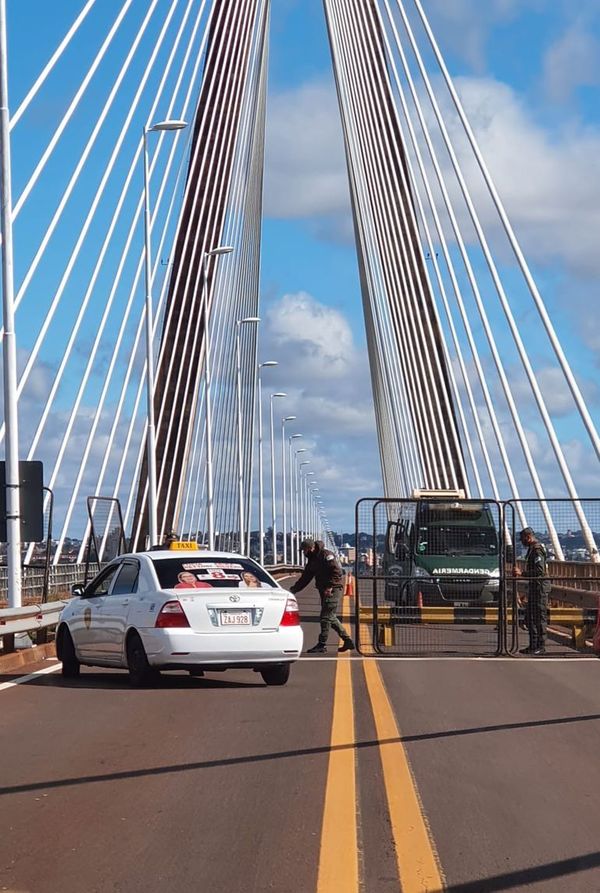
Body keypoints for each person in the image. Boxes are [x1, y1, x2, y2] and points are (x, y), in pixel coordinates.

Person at [290, 538, 355, 654]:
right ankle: (348, 640)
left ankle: (322, 644)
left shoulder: (326, 555)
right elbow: (306, 577)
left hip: (333, 589)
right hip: (324, 589)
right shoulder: (312, 560)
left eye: (304, 550)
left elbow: (337, 571)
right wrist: (293, 590)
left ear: (311, 548)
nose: (303, 553)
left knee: (325, 617)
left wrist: (330, 586)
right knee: (330, 617)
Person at [515, 527, 551, 655]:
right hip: (534, 587)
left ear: (528, 537)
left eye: (524, 539)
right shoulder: (532, 550)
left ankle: (540, 645)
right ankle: (533, 645)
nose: (523, 542)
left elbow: (540, 571)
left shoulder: (537, 550)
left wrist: (522, 573)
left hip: (540, 587)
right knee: (530, 617)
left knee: (539, 617)